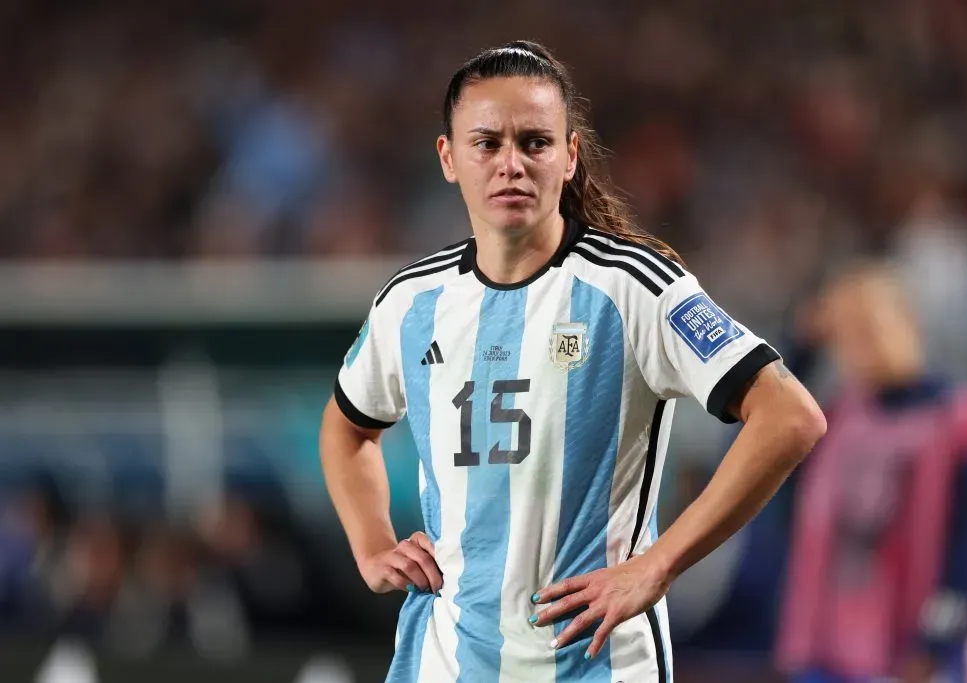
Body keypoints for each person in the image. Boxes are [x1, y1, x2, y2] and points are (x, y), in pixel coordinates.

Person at [320, 40, 826, 682]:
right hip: (444, 664)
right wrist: (371, 545)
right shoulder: (410, 302)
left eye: (535, 142)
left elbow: (790, 416)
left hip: (594, 664)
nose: (511, 164)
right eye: (487, 143)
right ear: (449, 158)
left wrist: (657, 564)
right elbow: (347, 426)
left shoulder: (634, 288)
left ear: (569, 156)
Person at [775, 263, 967, 683]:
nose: (858, 345)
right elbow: (761, 449)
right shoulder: (836, 417)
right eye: (845, 334)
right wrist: (802, 348)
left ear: (908, 322)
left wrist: (937, 638)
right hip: (826, 641)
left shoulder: (963, 420)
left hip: (909, 648)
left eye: (869, 326)